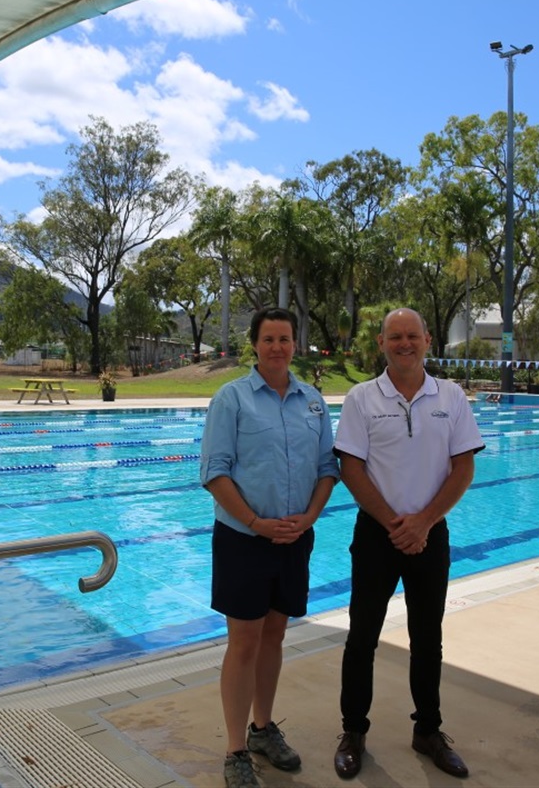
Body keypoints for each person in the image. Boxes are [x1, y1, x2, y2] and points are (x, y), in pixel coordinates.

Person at [331, 307, 485, 780]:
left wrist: (423, 522)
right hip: (377, 535)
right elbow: (350, 468)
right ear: (382, 343)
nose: (404, 343)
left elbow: (463, 467)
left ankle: (428, 731)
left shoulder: (451, 396)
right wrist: (397, 524)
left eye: (411, 336)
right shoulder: (361, 398)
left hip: (430, 534)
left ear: (427, 340)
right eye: (394, 336)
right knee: (361, 638)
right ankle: (353, 731)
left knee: (428, 639)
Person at [200, 307, 340, 788]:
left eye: (285, 338)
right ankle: (235, 750)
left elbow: (328, 469)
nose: (277, 347)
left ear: (295, 344)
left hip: (294, 539)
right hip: (244, 540)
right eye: (269, 339)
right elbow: (214, 473)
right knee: (243, 644)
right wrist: (256, 523)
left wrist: (311, 517)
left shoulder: (313, 402)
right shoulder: (231, 399)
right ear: (255, 345)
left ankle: (263, 729)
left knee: (275, 635)